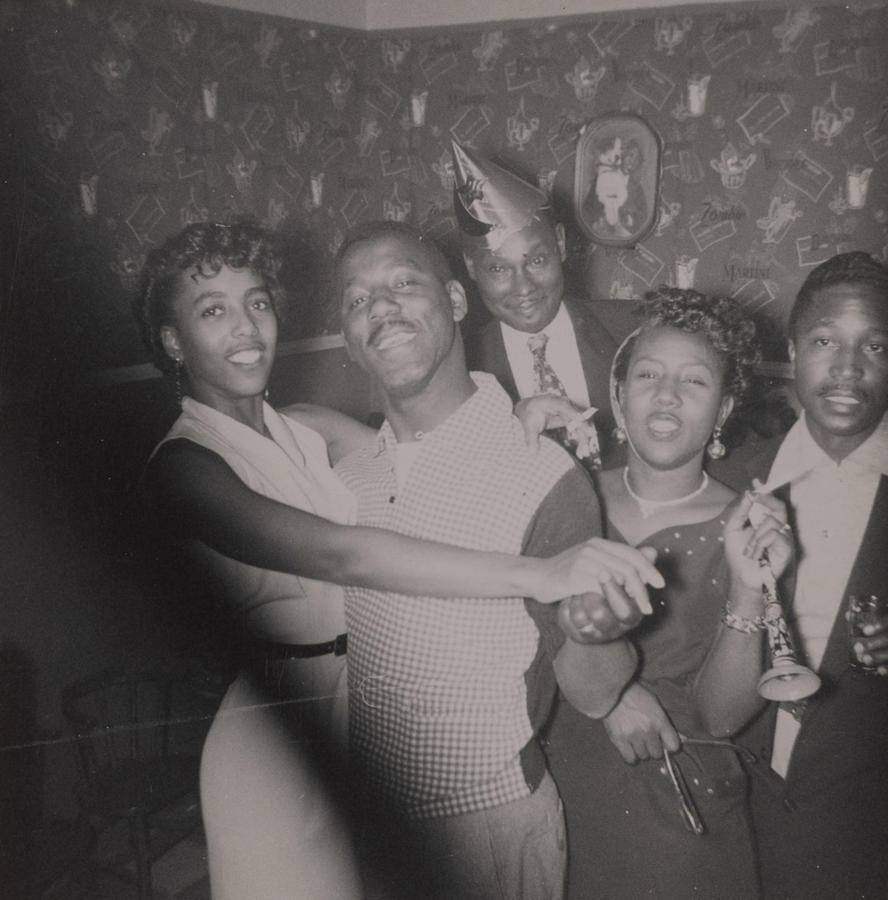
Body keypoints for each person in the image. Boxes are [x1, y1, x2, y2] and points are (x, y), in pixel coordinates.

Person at [133, 221, 662, 900]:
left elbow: (415, 455)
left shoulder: (307, 431)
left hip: (416, 775)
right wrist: (539, 573)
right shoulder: (189, 467)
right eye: (213, 312)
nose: (245, 328)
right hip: (285, 741)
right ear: (174, 341)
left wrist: (520, 416)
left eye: (257, 302)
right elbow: (344, 553)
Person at [331, 219, 649, 899]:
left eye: (403, 284)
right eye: (357, 300)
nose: (379, 307)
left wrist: (600, 627)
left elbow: (594, 692)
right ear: (345, 336)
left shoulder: (539, 469)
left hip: (489, 825)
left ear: (454, 299)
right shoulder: (347, 475)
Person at [542, 287, 794, 898]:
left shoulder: (751, 522)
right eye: (648, 374)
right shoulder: (558, 494)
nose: (667, 394)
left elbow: (723, 715)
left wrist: (748, 587)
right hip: (558, 796)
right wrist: (614, 695)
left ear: (725, 408)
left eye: (695, 381)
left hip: (680, 809)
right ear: (619, 396)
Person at [737, 250, 888, 899]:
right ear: (793, 352)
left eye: (876, 345)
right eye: (826, 341)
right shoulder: (727, 478)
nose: (848, 367)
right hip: (726, 840)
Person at [451, 140, 631, 466]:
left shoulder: (635, 331)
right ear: (471, 267)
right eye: (498, 268)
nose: (524, 287)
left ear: (560, 244)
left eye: (536, 261)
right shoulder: (460, 370)